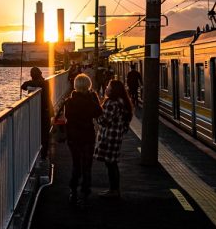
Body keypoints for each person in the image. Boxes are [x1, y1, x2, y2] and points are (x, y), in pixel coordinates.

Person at [63, 74, 102, 205]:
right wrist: (92, 98)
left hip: (73, 136)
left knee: (76, 164)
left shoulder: (69, 101)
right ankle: (85, 193)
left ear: (75, 85)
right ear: (88, 85)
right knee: (87, 165)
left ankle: (73, 191)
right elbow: (98, 113)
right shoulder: (91, 99)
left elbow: (67, 116)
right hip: (87, 136)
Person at [94, 79, 133, 198]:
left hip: (109, 137)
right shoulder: (121, 102)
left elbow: (103, 120)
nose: (106, 87)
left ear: (113, 90)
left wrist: (96, 112)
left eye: (108, 86)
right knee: (112, 163)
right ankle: (114, 190)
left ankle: (114, 191)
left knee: (111, 164)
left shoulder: (112, 103)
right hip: (116, 136)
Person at [21, 67, 54, 159]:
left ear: (32, 75)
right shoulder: (45, 82)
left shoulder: (43, 83)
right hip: (46, 111)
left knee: (41, 133)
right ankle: (44, 154)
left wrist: (29, 86)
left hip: (41, 111)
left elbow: (23, 85)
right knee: (45, 134)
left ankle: (40, 154)